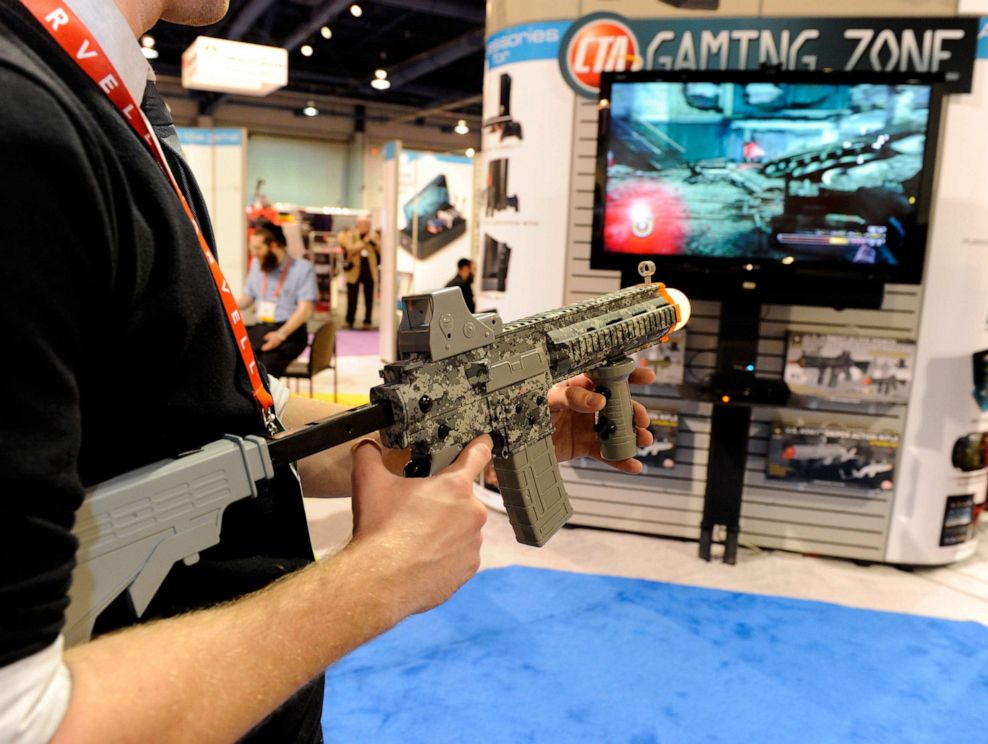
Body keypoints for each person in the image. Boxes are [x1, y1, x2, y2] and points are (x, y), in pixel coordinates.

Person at [0, 0, 657, 741]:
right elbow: (21, 721)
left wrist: (476, 429)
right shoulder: (26, 124)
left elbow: (249, 427)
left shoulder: (103, 111)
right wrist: (372, 580)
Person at [238, 219, 318, 378]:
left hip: (290, 332)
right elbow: (248, 296)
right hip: (261, 327)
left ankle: (265, 402)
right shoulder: (257, 264)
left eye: (258, 248)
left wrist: (281, 334)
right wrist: (225, 304)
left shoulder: (303, 269)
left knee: (263, 372)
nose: (253, 253)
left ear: (274, 246)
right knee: (237, 362)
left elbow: (305, 309)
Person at [338, 216, 379, 329]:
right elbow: (350, 248)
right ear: (358, 224)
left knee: (369, 298)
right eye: (363, 224)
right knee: (352, 297)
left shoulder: (373, 236)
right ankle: (349, 320)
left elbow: (381, 249)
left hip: (369, 270)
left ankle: (367, 321)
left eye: (367, 224)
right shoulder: (351, 235)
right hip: (354, 270)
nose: (366, 226)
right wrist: (363, 242)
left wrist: (374, 242)